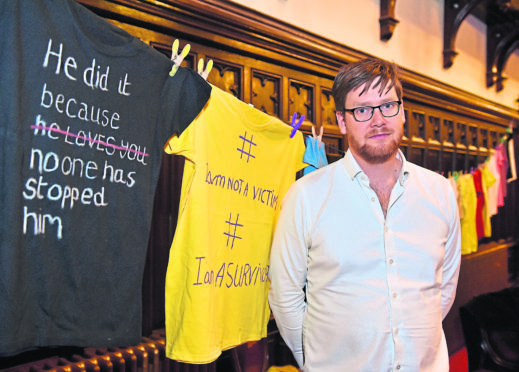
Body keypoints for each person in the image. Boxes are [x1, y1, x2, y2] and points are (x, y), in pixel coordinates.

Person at [268, 57, 461, 371]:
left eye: (388, 105)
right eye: (362, 110)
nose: (378, 120)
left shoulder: (440, 192)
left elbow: (444, 287)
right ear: (342, 121)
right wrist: (313, 361)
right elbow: (285, 293)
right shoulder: (306, 196)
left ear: (402, 113)